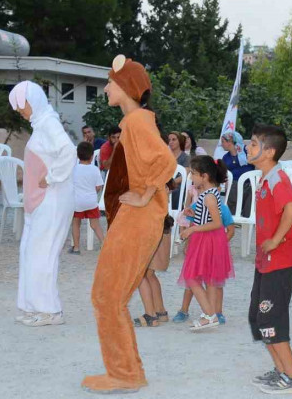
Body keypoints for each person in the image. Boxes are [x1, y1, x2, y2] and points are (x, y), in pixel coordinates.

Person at [82, 55, 177, 394]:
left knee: (107, 296)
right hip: (137, 216)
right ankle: (126, 371)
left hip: (139, 216)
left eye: (110, 82)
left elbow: (166, 161)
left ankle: (125, 374)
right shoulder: (135, 121)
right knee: (108, 295)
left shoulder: (136, 121)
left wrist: (144, 194)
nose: (106, 87)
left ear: (125, 87)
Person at [9, 81, 76, 327]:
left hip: (53, 199)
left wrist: (51, 177)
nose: (20, 111)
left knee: (43, 254)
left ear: (33, 100)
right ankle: (32, 306)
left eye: (21, 105)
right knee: (29, 252)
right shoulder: (41, 124)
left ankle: (50, 311)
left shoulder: (48, 123)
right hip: (39, 202)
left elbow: (68, 152)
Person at [246, 125, 292, 394]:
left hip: (280, 259)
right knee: (257, 317)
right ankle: (281, 370)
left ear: (269, 151)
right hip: (266, 260)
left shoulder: (278, 179)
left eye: (254, 143)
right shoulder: (264, 177)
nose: (249, 147)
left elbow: (291, 210)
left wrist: (276, 239)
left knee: (271, 318)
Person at [178, 155, 234, 332]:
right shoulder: (207, 194)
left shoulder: (209, 196)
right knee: (207, 278)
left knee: (192, 277)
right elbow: (208, 217)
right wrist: (193, 215)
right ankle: (210, 314)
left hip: (208, 239)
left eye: (193, 174)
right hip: (206, 237)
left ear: (205, 176)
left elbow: (217, 223)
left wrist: (192, 229)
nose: (191, 177)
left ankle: (210, 315)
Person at [69, 141, 105, 255]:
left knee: (76, 223)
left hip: (77, 202)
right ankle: (103, 244)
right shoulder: (94, 169)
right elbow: (99, 186)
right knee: (95, 224)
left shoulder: (73, 169)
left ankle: (76, 248)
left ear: (78, 155)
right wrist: (91, 192)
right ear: (91, 156)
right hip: (91, 201)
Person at [220, 130, 253, 216]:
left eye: (223, 142)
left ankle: (245, 219)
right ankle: (232, 218)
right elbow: (226, 175)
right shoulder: (226, 157)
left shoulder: (246, 152)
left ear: (230, 142)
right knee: (233, 185)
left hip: (249, 185)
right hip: (234, 187)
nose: (221, 144)